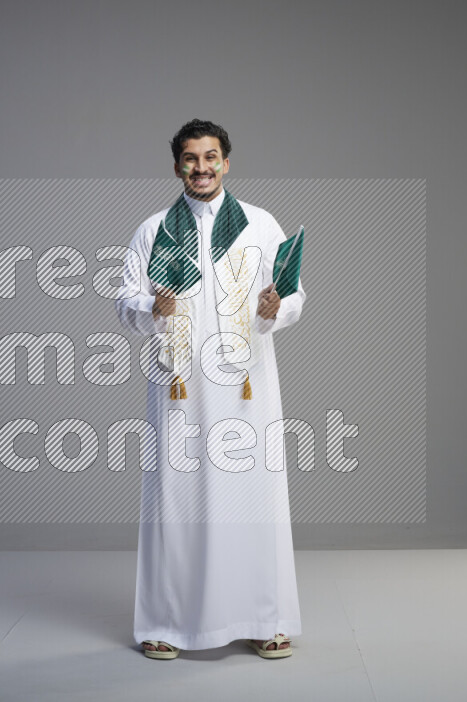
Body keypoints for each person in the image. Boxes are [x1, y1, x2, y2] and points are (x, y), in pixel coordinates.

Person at [114, 119, 305, 659]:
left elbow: (292, 294)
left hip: (246, 388)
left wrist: (278, 307)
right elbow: (124, 304)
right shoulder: (153, 230)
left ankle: (262, 618)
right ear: (177, 166)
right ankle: (166, 623)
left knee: (253, 497)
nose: (202, 167)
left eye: (212, 156)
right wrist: (152, 308)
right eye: (191, 158)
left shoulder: (260, 225)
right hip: (179, 388)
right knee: (175, 500)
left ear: (227, 162)